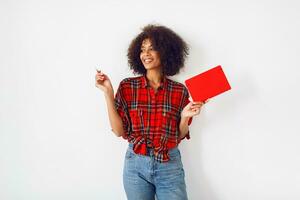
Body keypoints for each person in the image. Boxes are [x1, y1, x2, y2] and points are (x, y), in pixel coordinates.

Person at [95, 24, 207, 200]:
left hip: (169, 165)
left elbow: (179, 135)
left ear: (166, 52)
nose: (145, 54)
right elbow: (118, 131)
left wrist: (185, 117)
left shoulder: (179, 91)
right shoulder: (127, 87)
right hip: (135, 164)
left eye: (152, 48)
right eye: (142, 49)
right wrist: (108, 93)